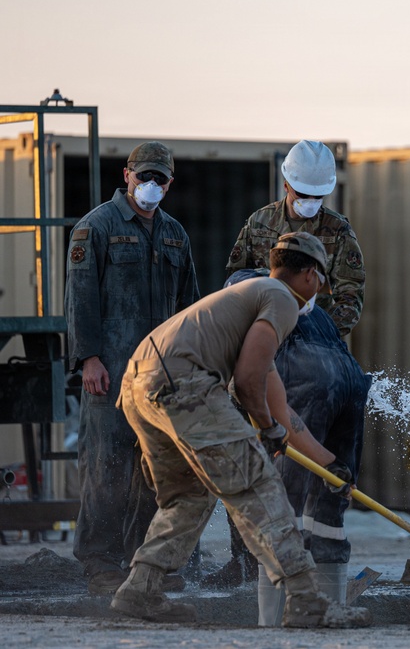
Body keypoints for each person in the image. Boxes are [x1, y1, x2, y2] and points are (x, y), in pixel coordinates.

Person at [110, 231, 371, 628]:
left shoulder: (249, 300)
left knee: (188, 497)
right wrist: (265, 431)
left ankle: (140, 589)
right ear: (309, 275)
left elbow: (276, 403)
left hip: (140, 384)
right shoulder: (282, 298)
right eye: (321, 280)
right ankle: (305, 599)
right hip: (184, 383)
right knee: (258, 484)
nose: (319, 289)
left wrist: (327, 462)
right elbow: (249, 382)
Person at [65, 141, 200, 595]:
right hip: (109, 373)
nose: (151, 185)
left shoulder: (175, 236)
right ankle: (100, 563)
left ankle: (146, 562)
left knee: (155, 470)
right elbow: (80, 300)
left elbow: (189, 309)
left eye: (159, 178)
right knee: (106, 467)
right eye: (144, 176)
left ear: (170, 183)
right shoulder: (95, 228)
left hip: (159, 380)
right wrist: (89, 359)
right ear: (126, 175)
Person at [220, 267, 371, 594]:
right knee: (330, 508)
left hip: (311, 391)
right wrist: (332, 463)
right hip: (351, 384)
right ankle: (333, 605)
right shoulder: (310, 310)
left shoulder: (257, 301)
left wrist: (267, 424)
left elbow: (254, 384)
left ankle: (279, 615)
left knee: (284, 508)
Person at [225, 139, 365, 338]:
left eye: (318, 196)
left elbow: (351, 297)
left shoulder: (338, 230)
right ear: (286, 185)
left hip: (315, 339)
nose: (310, 201)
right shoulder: (259, 222)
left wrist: (320, 331)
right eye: (303, 194)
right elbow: (236, 281)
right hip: (264, 331)